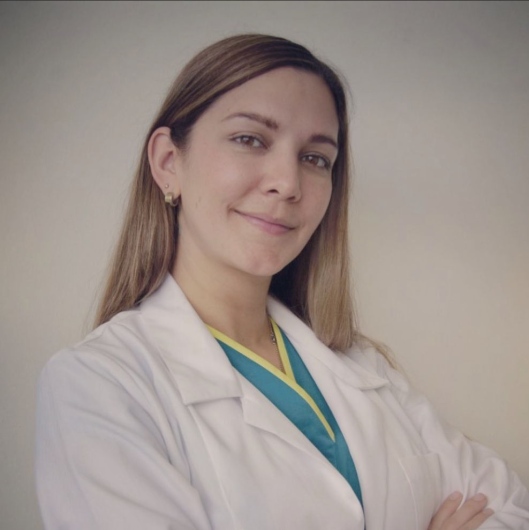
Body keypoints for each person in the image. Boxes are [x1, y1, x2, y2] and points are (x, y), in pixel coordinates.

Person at [35, 34, 529, 530]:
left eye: (315, 158)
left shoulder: (359, 363)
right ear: (168, 163)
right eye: (250, 139)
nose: (288, 183)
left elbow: (510, 505)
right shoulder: (100, 385)